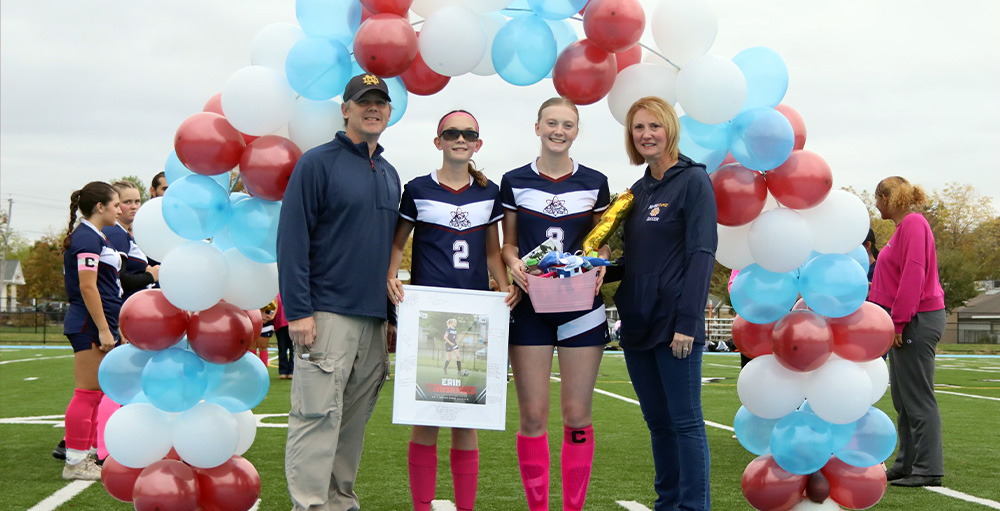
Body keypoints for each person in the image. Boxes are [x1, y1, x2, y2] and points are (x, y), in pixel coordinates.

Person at [276, 73, 400, 511]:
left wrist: (390, 317)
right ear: (345, 110)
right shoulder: (317, 163)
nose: (373, 108)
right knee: (316, 418)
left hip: (373, 319)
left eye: (380, 102)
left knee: (352, 424)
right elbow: (292, 240)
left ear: (389, 111)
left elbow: (385, 252)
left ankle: (340, 503)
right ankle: (309, 505)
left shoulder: (389, 172)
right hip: (326, 314)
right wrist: (298, 311)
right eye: (363, 101)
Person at [386, 109, 518, 511]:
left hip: (474, 315)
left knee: (466, 421)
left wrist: (505, 287)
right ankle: (421, 505)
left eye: (469, 134)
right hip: (429, 315)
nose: (460, 139)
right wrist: (391, 276)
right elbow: (397, 243)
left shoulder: (489, 192)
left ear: (478, 143)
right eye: (452, 133)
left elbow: (492, 252)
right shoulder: (417, 189)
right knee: (425, 416)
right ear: (438, 141)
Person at [606, 96, 717, 510]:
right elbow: (637, 260)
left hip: (675, 326)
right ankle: (666, 504)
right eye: (638, 127)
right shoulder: (636, 192)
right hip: (638, 324)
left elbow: (701, 254)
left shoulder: (694, 181)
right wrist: (596, 271)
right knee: (658, 424)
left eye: (654, 126)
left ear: (670, 129)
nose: (646, 134)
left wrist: (687, 323)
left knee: (685, 424)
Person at [500, 97, 610, 511]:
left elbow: (600, 241)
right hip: (531, 307)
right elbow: (508, 243)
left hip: (581, 307)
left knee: (577, 414)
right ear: (537, 127)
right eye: (551, 123)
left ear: (576, 132)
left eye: (567, 124)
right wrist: (513, 264)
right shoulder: (514, 180)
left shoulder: (595, 182)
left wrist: (601, 263)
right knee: (532, 416)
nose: (558, 131)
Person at [868, 176, 946, 488]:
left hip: (916, 319)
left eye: (877, 198)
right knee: (903, 398)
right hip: (906, 318)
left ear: (886, 198)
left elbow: (914, 273)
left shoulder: (914, 223)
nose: (875, 205)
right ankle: (907, 464)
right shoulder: (903, 228)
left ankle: (928, 469)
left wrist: (899, 321)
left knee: (917, 397)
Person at [59, 181, 123, 480]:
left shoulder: (95, 236)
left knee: (95, 394)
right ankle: (75, 462)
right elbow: (87, 286)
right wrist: (103, 329)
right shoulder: (86, 237)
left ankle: (86, 456)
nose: (119, 210)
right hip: (88, 324)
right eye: (116, 204)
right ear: (100, 207)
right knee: (87, 393)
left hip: (98, 322)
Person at [274, 294, 293, 380]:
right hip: (280, 325)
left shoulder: (293, 292)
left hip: (292, 324)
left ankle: (292, 371)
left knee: (293, 349)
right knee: (282, 349)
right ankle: (283, 371)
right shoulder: (275, 295)